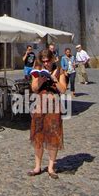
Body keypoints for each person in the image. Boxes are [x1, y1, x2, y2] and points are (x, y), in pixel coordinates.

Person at [28, 49, 67, 179]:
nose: (46, 64)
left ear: (52, 59)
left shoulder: (59, 70)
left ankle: (51, 168)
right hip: (40, 106)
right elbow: (34, 88)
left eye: (48, 61)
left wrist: (54, 79)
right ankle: (37, 167)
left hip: (54, 107)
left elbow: (63, 90)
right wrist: (41, 80)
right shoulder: (38, 71)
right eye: (43, 61)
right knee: (38, 135)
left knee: (53, 136)